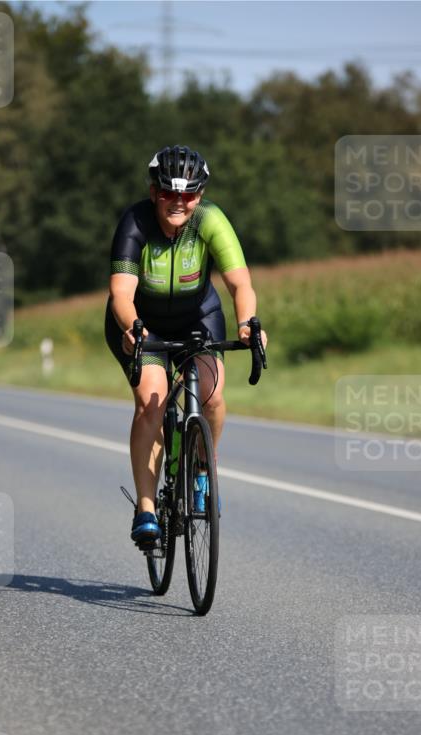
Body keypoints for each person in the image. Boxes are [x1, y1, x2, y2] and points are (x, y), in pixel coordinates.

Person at [105, 145, 268, 547]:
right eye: (168, 194)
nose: (178, 203)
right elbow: (121, 295)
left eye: (188, 195)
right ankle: (146, 507)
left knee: (211, 395)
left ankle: (200, 469)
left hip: (199, 316)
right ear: (153, 191)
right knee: (152, 402)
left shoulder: (210, 219)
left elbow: (239, 283)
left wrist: (248, 323)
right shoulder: (135, 222)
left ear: (199, 194)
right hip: (142, 324)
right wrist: (133, 327)